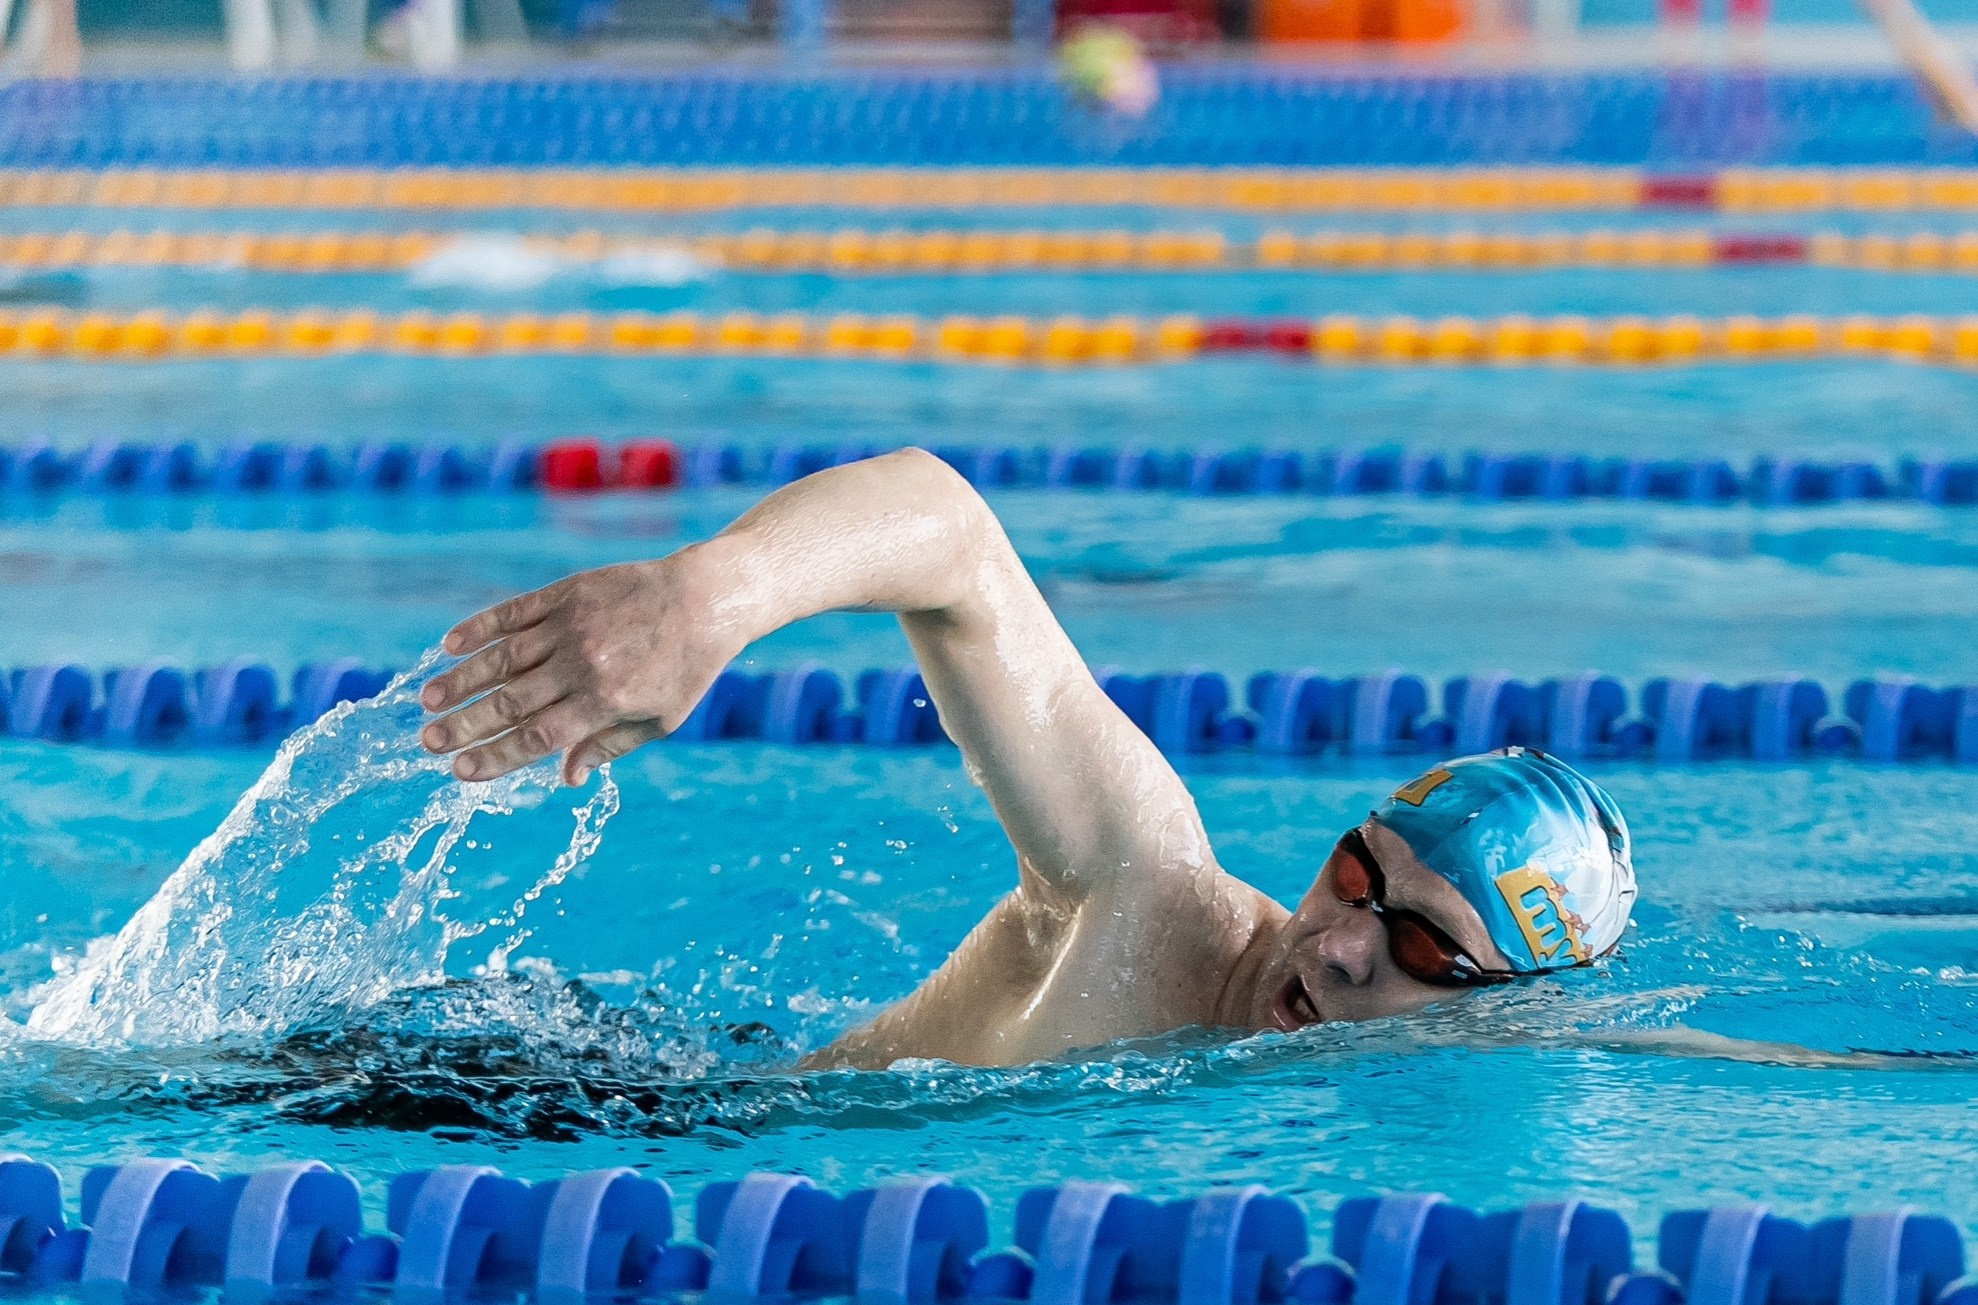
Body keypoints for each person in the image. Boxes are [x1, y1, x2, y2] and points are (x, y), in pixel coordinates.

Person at [416, 447, 1637, 1071]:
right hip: (594, 1128)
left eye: (1421, 947)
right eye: (1354, 872)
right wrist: (707, 597)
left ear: (1498, 1017)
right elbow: (944, 527)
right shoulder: (1148, 896)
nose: (1338, 940)